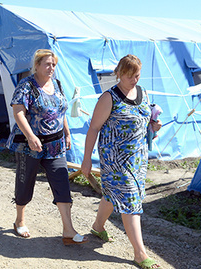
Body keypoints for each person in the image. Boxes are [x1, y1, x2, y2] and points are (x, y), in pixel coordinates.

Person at [81, 54, 162, 269]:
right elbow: (93, 129)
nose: (134, 80)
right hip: (115, 159)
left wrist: (153, 127)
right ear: (119, 74)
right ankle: (140, 253)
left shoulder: (143, 93)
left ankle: (98, 226)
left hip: (138, 158)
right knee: (130, 201)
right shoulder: (109, 97)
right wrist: (86, 160)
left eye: (137, 75)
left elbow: (145, 120)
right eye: (129, 76)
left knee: (112, 193)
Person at [6, 49, 88, 245]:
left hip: (55, 145)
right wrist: (31, 136)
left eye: (53, 64)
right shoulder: (27, 86)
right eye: (47, 64)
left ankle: (68, 230)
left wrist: (67, 133)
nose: (51, 68)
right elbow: (18, 113)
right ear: (37, 66)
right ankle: (20, 220)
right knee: (25, 183)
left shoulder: (57, 84)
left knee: (62, 183)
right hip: (30, 145)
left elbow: (62, 112)